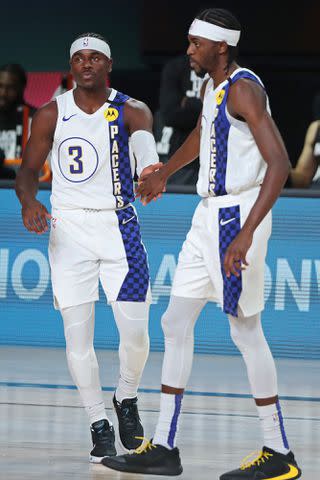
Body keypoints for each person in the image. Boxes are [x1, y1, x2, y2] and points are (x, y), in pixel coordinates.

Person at [101, 8, 302, 480]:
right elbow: (200, 134)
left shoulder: (245, 88)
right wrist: (164, 173)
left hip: (236, 214)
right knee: (174, 320)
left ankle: (279, 452)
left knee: (245, 329)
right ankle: (165, 448)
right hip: (206, 215)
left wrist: (247, 232)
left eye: (196, 43)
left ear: (220, 47)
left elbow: (280, 165)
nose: (188, 50)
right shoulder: (215, 87)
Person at [15, 32, 162, 463]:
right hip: (69, 231)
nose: (86, 64)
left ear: (109, 65)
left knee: (136, 334)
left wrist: (151, 170)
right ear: (71, 65)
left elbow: (146, 153)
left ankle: (126, 398)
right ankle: (99, 423)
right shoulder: (49, 114)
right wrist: (28, 201)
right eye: (78, 57)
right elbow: (26, 173)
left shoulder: (133, 111)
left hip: (120, 228)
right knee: (77, 337)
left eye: (95, 57)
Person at [154, 54, 206, 186]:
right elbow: (170, 116)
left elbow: (221, 114)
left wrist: (189, 103)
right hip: (181, 163)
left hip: (216, 161)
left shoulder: (233, 77)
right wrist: (202, 106)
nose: (190, 51)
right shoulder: (176, 67)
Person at [0, 63, 35, 179]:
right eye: (0, 86)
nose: (3, 93)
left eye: (10, 88)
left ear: (22, 87)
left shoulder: (36, 119)